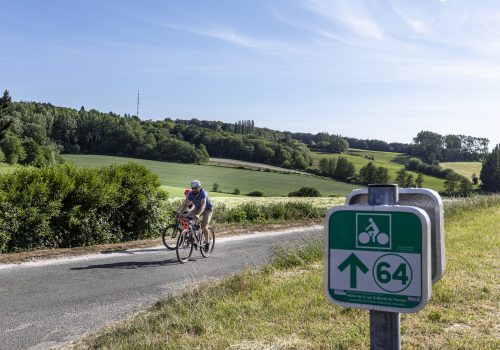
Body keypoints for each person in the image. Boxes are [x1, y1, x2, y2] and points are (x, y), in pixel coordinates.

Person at [176, 180, 213, 251]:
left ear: (199, 187)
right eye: (192, 188)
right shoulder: (191, 194)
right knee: (187, 218)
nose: (194, 190)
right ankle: (194, 239)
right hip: (197, 208)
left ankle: (207, 242)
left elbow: (203, 205)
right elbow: (186, 204)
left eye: (196, 188)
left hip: (207, 209)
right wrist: (180, 214)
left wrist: (198, 215)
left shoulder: (203, 193)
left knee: (204, 226)